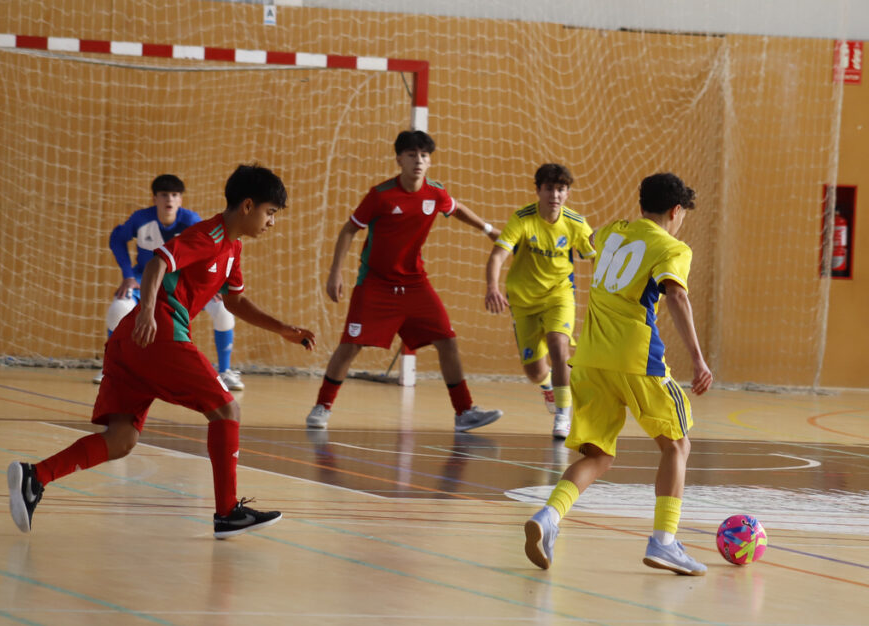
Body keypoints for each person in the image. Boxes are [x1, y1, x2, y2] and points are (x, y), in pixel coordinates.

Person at [9, 164, 316, 539]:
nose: (272, 222)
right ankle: (227, 513)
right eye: (271, 213)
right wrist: (150, 313)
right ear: (249, 206)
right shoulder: (209, 233)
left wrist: (283, 329)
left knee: (122, 439)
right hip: (157, 331)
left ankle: (34, 477)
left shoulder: (233, 248)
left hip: (130, 342)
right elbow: (157, 262)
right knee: (227, 408)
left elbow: (235, 301)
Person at [523, 172, 713, 575]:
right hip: (636, 359)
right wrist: (698, 358)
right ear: (676, 211)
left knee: (598, 454)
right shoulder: (672, 246)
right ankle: (664, 542)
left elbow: (588, 243)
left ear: (640, 203)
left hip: (590, 359)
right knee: (677, 446)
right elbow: (676, 295)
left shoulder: (611, 232)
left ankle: (548, 517)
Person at [305, 130, 503, 433]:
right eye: (412, 155)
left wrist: (489, 229)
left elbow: (456, 208)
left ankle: (464, 412)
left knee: (447, 341)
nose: (418, 161)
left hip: (414, 284)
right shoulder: (381, 195)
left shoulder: (435, 193)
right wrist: (336, 271)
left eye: (424, 156)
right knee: (351, 345)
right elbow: (348, 230)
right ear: (399, 159)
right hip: (376, 283)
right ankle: (322, 406)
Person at [95, 174, 244, 391]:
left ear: (181, 200)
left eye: (175, 195)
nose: (169, 200)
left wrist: (213, 285)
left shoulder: (192, 222)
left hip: (184, 285)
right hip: (144, 280)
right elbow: (117, 238)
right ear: (154, 198)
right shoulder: (140, 219)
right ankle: (108, 367)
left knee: (222, 310)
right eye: (164, 195)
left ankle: (225, 371)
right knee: (118, 308)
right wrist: (128, 275)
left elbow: (213, 255)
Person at [484, 164, 595, 439]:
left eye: (561, 189)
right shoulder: (522, 219)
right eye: (549, 189)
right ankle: (547, 386)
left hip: (559, 295)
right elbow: (498, 255)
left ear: (567, 193)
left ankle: (562, 416)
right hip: (523, 301)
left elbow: (595, 256)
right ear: (538, 191)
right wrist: (491, 287)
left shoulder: (576, 223)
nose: (555, 195)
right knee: (534, 371)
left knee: (559, 347)